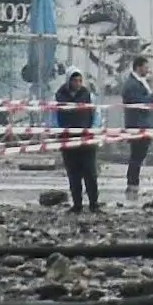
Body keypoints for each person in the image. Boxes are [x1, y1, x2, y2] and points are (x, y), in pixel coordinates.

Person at [54, 68, 100, 213]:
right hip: (68, 141)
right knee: (73, 174)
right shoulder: (59, 96)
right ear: (69, 81)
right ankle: (77, 204)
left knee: (90, 173)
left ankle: (94, 203)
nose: (77, 83)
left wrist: (93, 131)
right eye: (74, 80)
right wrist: (57, 133)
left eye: (80, 80)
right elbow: (54, 117)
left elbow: (96, 115)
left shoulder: (88, 95)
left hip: (86, 141)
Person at [119, 55, 153, 201]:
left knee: (139, 156)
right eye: (146, 66)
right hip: (138, 126)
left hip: (144, 126)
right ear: (138, 67)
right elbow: (141, 104)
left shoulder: (140, 83)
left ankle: (134, 182)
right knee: (136, 156)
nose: (148, 70)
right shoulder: (132, 85)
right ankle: (132, 183)